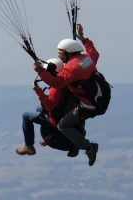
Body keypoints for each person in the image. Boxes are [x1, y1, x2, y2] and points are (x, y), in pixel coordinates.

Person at [34, 24, 100, 166]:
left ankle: (87, 147)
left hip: (87, 104)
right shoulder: (86, 59)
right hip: (96, 99)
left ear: (68, 52)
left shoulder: (72, 68)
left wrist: (40, 71)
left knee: (63, 125)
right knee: (70, 114)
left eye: (60, 53)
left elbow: (58, 83)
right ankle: (75, 142)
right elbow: (94, 54)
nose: (59, 55)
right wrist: (82, 38)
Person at [15, 58, 77, 155]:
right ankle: (46, 137)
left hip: (55, 119)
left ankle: (29, 146)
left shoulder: (56, 88)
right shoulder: (68, 82)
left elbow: (49, 106)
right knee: (39, 108)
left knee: (26, 116)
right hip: (65, 114)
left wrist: (38, 90)